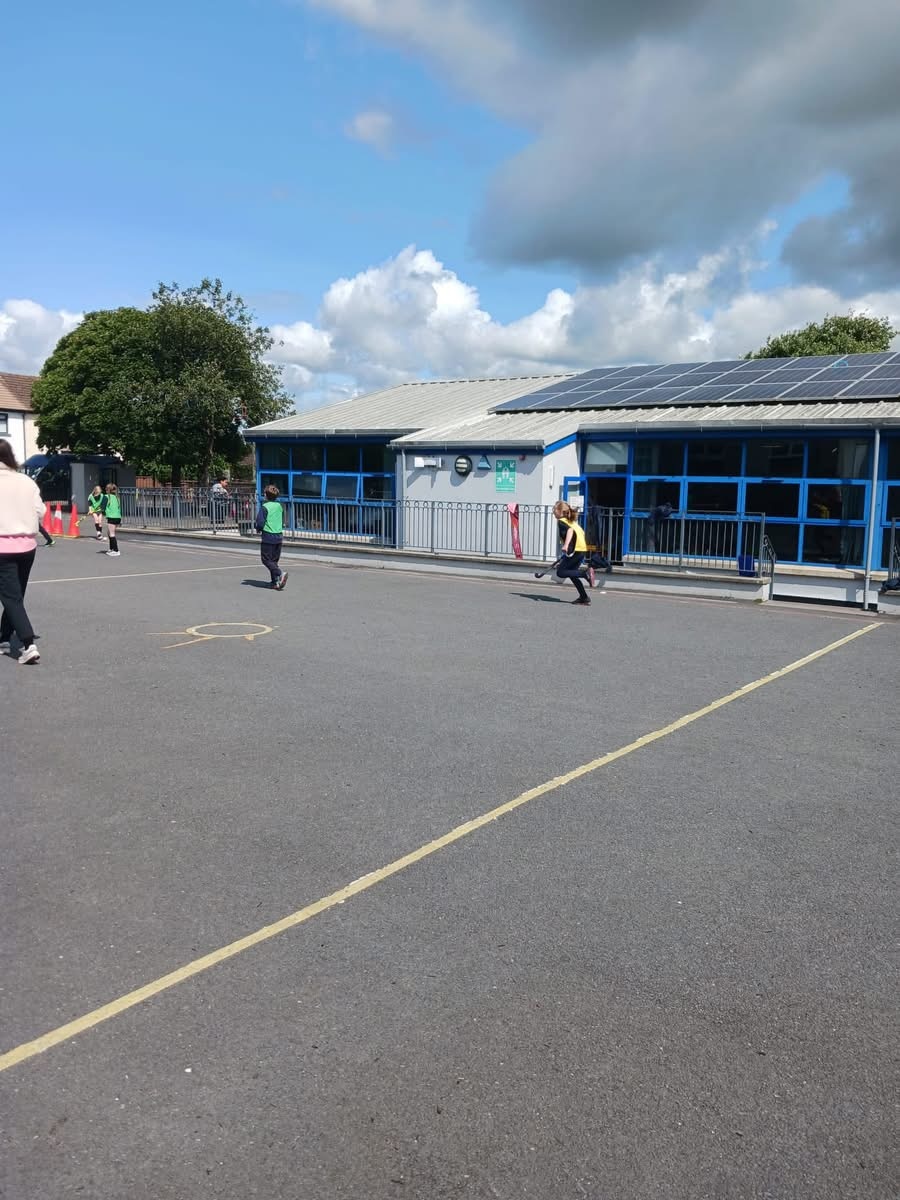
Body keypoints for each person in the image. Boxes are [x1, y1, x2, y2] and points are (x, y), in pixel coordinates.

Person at [0, 439, 44, 664]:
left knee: (10, 596)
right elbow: (41, 510)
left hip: (2, 546)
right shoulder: (26, 481)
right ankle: (4, 637)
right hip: (27, 546)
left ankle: (28, 643)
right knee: (15, 594)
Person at [553, 500, 591, 605]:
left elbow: (570, 531)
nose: (553, 512)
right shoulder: (572, 522)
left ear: (560, 511)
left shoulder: (562, 521)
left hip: (575, 550)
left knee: (561, 572)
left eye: (554, 509)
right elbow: (581, 533)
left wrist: (566, 545)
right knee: (572, 573)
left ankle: (584, 573)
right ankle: (584, 597)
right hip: (581, 549)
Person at [255, 484, 288, 590]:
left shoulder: (265, 507)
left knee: (266, 560)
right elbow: (282, 520)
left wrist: (258, 528)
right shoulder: (279, 506)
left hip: (268, 536)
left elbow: (260, 522)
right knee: (273, 561)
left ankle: (280, 573)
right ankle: (275, 582)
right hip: (278, 536)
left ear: (266, 495)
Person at [101, 483, 122, 556]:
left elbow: (102, 507)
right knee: (109, 532)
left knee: (112, 534)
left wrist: (95, 510)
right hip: (118, 517)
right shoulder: (117, 498)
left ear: (108, 490)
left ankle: (116, 550)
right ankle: (111, 548)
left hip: (112, 517)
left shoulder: (106, 497)